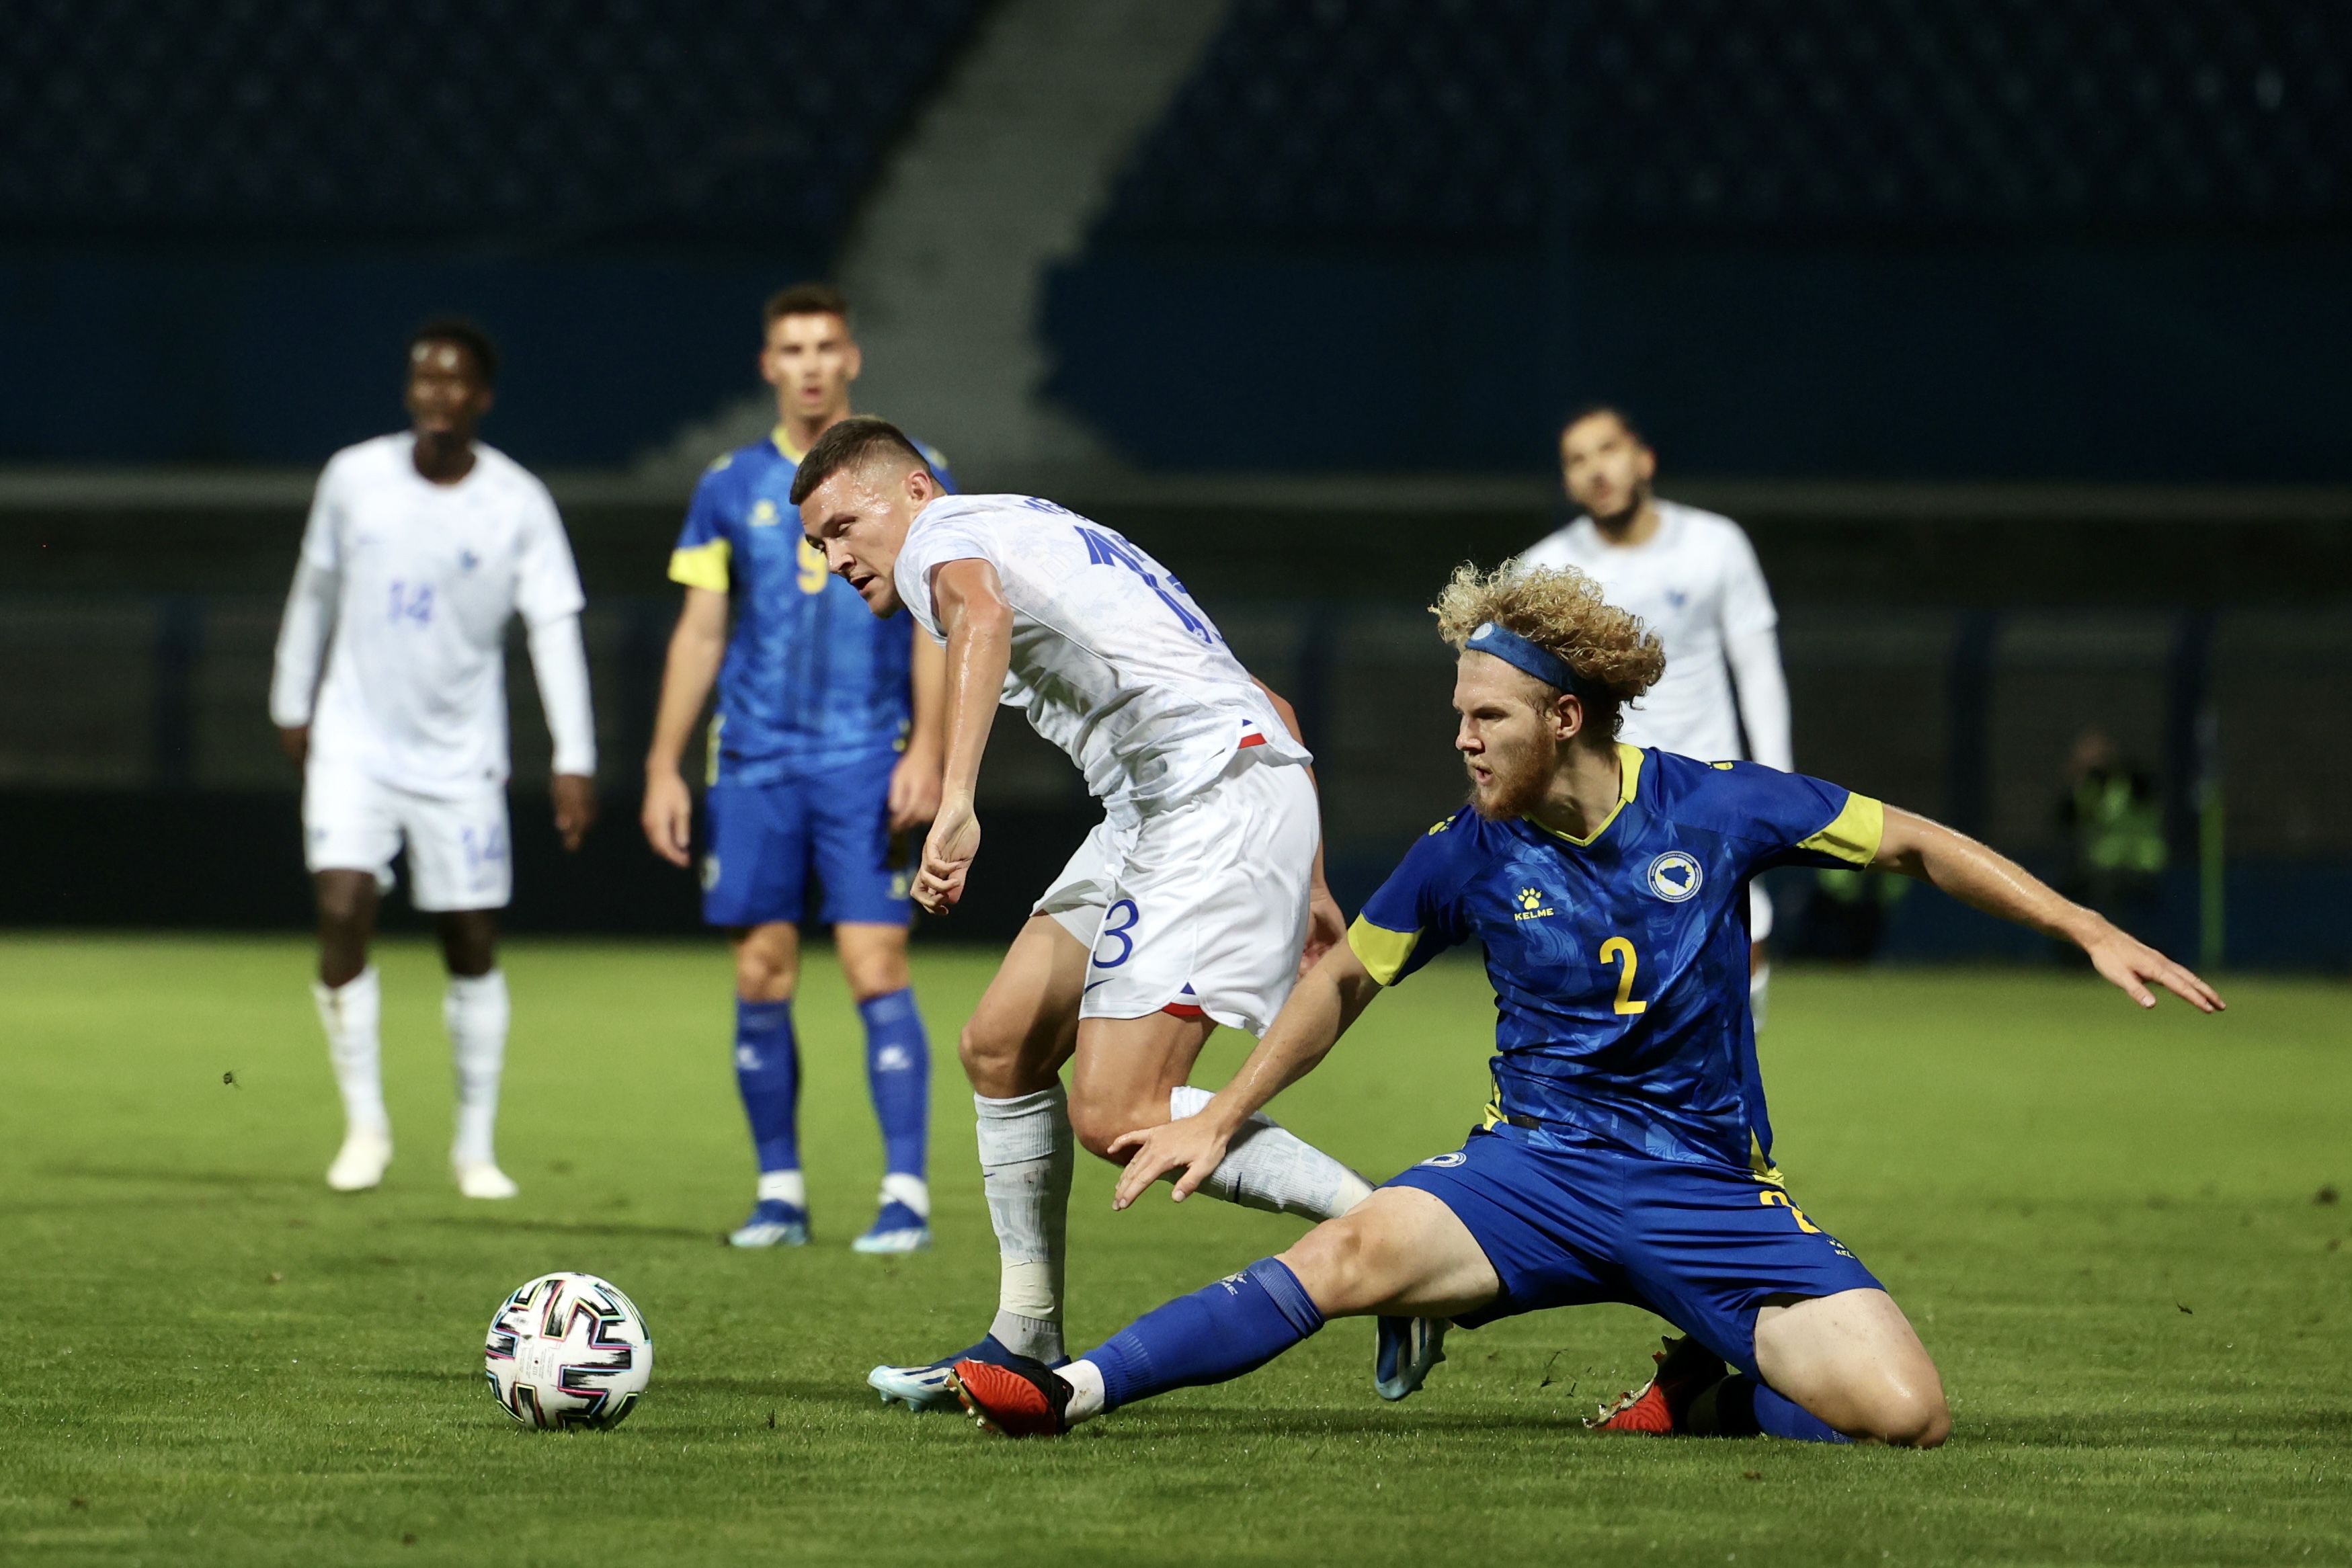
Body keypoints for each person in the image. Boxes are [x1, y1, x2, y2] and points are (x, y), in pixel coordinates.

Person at [943, 563, 2222, 1444]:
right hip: (1531, 1176)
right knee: (1342, 1259)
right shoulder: (1463, 849)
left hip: (1705, 1190)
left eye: (1484, 715)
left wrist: (2084, 923)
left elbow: (1914, 843)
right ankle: (1068, 1389)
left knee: (1906, 1414)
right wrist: (1221, 1113)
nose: (1461, 738)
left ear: (1562, 716)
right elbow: (1343, 979)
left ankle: (1709, 1392)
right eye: (1457, 714)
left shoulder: (1714, 806)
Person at [793, 417, 1371, 1410]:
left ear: (915, 489)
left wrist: (957, 798)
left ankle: (1389, 1229)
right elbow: (1269, 698)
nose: (836, 557)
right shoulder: (1039, 526)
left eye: (845, 525)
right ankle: (1022, 1337)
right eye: (817, 542)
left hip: (1204, 797)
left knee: (1119, 1112)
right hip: (1173, 795)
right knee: (1001, 1045)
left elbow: (980, 619)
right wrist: (1311, 879)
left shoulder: (942, 540)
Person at [641, 284, 952, 1253]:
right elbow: (701, 632)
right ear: (768, 365)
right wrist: (661, 765)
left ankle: (904, 1192)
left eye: (825, 346)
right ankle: (779, 1191)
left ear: (849, 358)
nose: (810, 364)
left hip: (867, 757)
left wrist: (930, 751)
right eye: (793, 348)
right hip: (755, 760)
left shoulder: (913, 475)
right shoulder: (728, 485)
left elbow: (937, 623)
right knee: (761, 969)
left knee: (875, 963)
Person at [270, 319, 598, 1200]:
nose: (438, 393)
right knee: (342, 903)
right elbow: (314, 591)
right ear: (409, 389)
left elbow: (553, 628)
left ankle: (473, 1147)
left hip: (461, 758)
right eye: (425, 377)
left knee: (470, 939)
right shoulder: (354, 478)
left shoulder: (517, 502)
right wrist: (290, 699)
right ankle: (365, 1127)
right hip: (354, 741)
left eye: (455, 380)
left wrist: (573, 755)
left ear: (481, 396)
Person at [1520, 407, 1791, 1018]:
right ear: (1566, 481)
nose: (1595, 469)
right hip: (1603, 806)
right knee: (1618, 995)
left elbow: (1757, 670)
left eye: (1607, 449)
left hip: (1712, 791)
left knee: (1738, 982)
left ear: (1643, 459)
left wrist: (1779, 783)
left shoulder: (1715, 545)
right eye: (1576, 459)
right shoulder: (1542, 571)